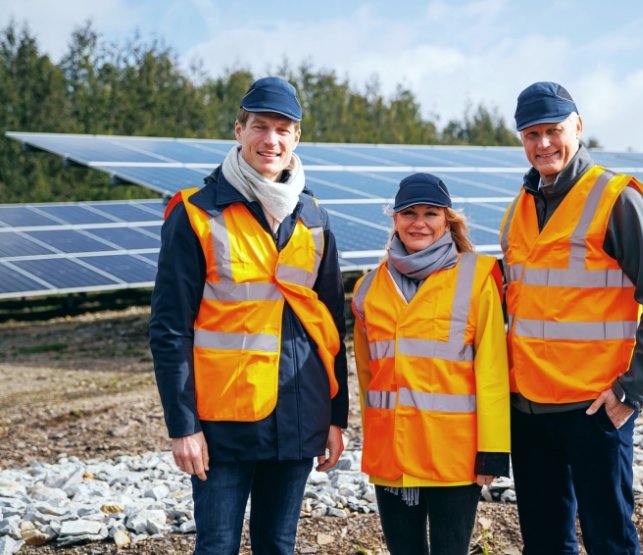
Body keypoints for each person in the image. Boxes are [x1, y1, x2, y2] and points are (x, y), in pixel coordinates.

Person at [149, 76, 348, 555]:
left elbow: (331, 327)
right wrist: (183, 426)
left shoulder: (315, 219)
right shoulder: (196, 214)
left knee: (277, 546)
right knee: (216, 546)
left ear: (297, 137)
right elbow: (169, 328)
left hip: (299, 417)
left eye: (283, 129)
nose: (271, 140)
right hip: (223, 421)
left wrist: (336, 417)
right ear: (239, 130)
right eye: (260, 127)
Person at [501, 81, 643, 554]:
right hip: (528, 410)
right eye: (531, 134)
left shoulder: (614, 198)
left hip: (594, 408)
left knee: (609, 541)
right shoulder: (517, 209)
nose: (543, 144)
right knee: (544, 544)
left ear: (578, 127)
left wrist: (632, 390)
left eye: (554, 131)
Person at [352, 173, 511, 555]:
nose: (418, 222)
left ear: (447, 221)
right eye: (408, 213)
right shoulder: (368, 289)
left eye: (430, 213)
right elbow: (367, 377)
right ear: (394, 219)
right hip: (392, 456)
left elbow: (492, 369)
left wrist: (493, 448)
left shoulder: (476, 278)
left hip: (454, 456)